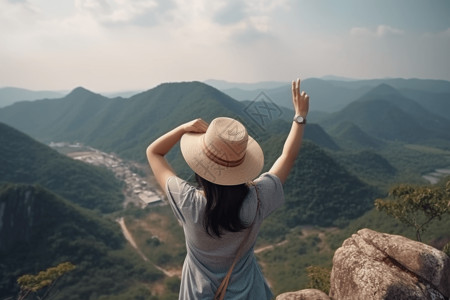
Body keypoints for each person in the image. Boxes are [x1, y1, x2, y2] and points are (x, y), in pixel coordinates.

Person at [146, 78, 309, 299]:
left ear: (201, 167)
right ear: (241, 166)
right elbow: (287, 157)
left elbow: (154, 153)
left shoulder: (187, 201)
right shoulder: (259, 199)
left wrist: (183, 128)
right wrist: (299, 117)